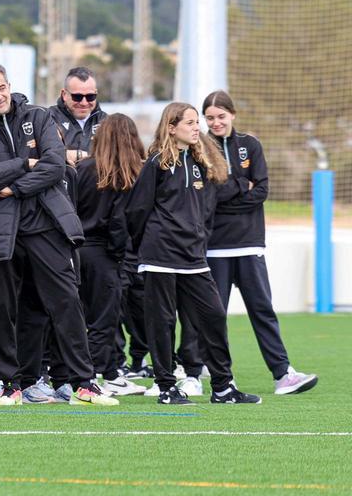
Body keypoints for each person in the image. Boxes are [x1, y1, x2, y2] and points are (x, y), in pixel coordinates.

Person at [0, 63, 115, 407]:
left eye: (1, 87)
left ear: (9, 85)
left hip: (46, 225)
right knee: (3, 310)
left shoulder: (38, 117)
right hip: (2, 234)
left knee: (65, 302)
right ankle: (14, 385)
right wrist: (24, 163)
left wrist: (13, 188)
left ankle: (83, 383)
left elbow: (55, 165)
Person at [126, 102, 260, 405]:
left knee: (213, 316)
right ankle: (166, 387)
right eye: (189, 122)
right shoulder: (157, 163)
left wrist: (199, 236)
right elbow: (136, 210)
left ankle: (223, 387)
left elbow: (206, 210)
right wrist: (146, 246)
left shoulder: (201, 164)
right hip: (160, 258)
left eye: (196, 122)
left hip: (194, 258)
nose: (195, 127)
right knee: (162, 323)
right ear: (171, 127)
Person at [201, 90, 317, 395]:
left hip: (250, 244)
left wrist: (229, 192)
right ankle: (211, 374)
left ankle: (283, 374)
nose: (216, 123)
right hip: (214, 247)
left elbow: (262, 190)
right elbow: (209, 198)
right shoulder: (200, 148)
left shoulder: (250, 145)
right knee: (213, 314)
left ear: (232, 115)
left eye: (221, 116)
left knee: (262, 309)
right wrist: (241, 186)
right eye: (210, 118)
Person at [73, 114, 146, 396]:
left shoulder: (83, 169)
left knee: (80, 319)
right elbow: (120, 222)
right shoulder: (127, 174)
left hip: (79, 251)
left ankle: (109, 374)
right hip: (107, 254)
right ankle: (88, 381)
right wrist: (121, 256)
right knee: (104, 321)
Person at [55, 67, 108, 168]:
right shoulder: (48, 119)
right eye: (77, 97)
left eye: (90, 96)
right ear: (64, 94)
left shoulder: (106, 122)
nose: (84, 103)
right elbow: (45, 157)